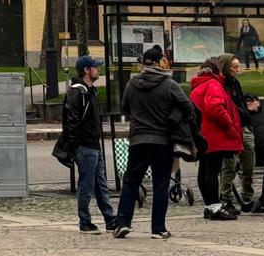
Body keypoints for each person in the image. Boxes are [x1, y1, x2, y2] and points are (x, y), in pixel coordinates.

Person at [111, 45, 193, 240]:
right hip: (162, 141)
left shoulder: (133, 84)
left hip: (138, 140)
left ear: (144, 63)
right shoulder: (169, 84)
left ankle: (122, 223)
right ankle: (158, 228)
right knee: (161, 184)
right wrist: (172, 116)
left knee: (131, 181)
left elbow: (125, 107)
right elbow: (188, 107)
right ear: (159, 62)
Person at [62, 54, 116, 233]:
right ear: (86, 70)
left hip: (93, 145)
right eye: (95, 67)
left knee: (101, 184)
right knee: (86, 185)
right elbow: (72, 122)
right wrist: (77, 144)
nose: (98, 69)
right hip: (85, 146)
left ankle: (110, 219)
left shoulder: (90, 91)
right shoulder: (79, 92)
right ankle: (85, 221)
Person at [190, 55, 244, 221]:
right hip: (214, 135)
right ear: (217, 70)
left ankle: (209, 206)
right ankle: (214, 206)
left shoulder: (198, 86)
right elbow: (215, 107)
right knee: (212, 171)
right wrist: (229, 124)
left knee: (204, 170)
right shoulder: (214, 84)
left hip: (201, 134)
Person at [225, 57, 254, 206]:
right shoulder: (223, 84)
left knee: (248, 163)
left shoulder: (235, 83)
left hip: (243, 124)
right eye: (234, 67)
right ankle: (226, 197)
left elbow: (241, 102)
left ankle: (247, 194)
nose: (238, 70)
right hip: (232, 127)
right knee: (229, 165)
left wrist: (246, 118)